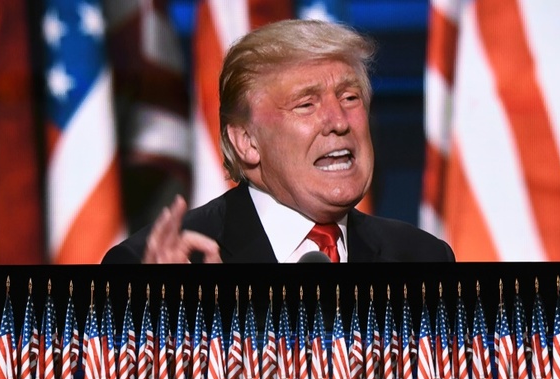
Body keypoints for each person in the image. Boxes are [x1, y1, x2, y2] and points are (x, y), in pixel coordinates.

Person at [102, 19, 455, 264]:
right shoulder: (154, 265)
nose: (338, 122)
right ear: (247, 142)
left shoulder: (423, 255)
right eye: (306, 104)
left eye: (350, 98)